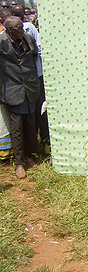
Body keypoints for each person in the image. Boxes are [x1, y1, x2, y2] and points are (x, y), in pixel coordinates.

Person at [0, 16, 40, 178]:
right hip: (12, 90)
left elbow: (33, 58)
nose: (23, 31)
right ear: (9, 30)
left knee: (31, 125)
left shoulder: (27, 38)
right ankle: (19, 163)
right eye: (18, 29)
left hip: (29, 88)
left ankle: (30, 156)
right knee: (16, 128)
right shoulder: (1, 43)